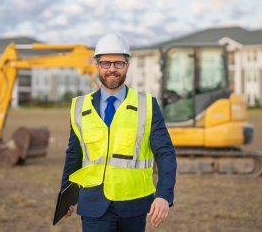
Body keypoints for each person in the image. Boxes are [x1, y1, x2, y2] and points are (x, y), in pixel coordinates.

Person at [60, 33, 176, 232]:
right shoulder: (79, 107)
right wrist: (66, 196)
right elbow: (74, 155)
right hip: (93, 205)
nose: (112, 69)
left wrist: (164, 195)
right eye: (105, 63)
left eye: (118, 63)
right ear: (96, 65)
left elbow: (165, 153)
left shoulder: (147, 105)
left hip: (134, 205)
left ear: (127, 66)